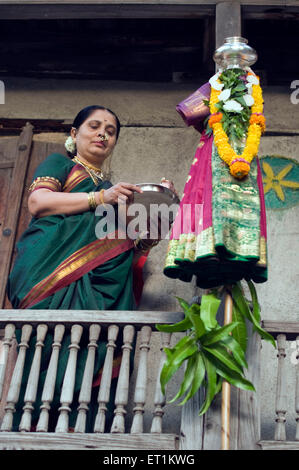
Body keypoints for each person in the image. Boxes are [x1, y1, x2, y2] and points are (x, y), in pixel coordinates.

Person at [6, 104, 175, 432]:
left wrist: (160, 210)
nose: (102, 134)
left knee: (93, 346)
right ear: (74, 134)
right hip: (50, 277)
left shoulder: (114, 192)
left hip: (99, 292)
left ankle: (77, 427)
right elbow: (38, 203)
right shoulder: (61, 166)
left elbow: (127, 246)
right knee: (49, 346)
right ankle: (33, 424)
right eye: (94, 126)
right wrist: (101, 197)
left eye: (110, 131)